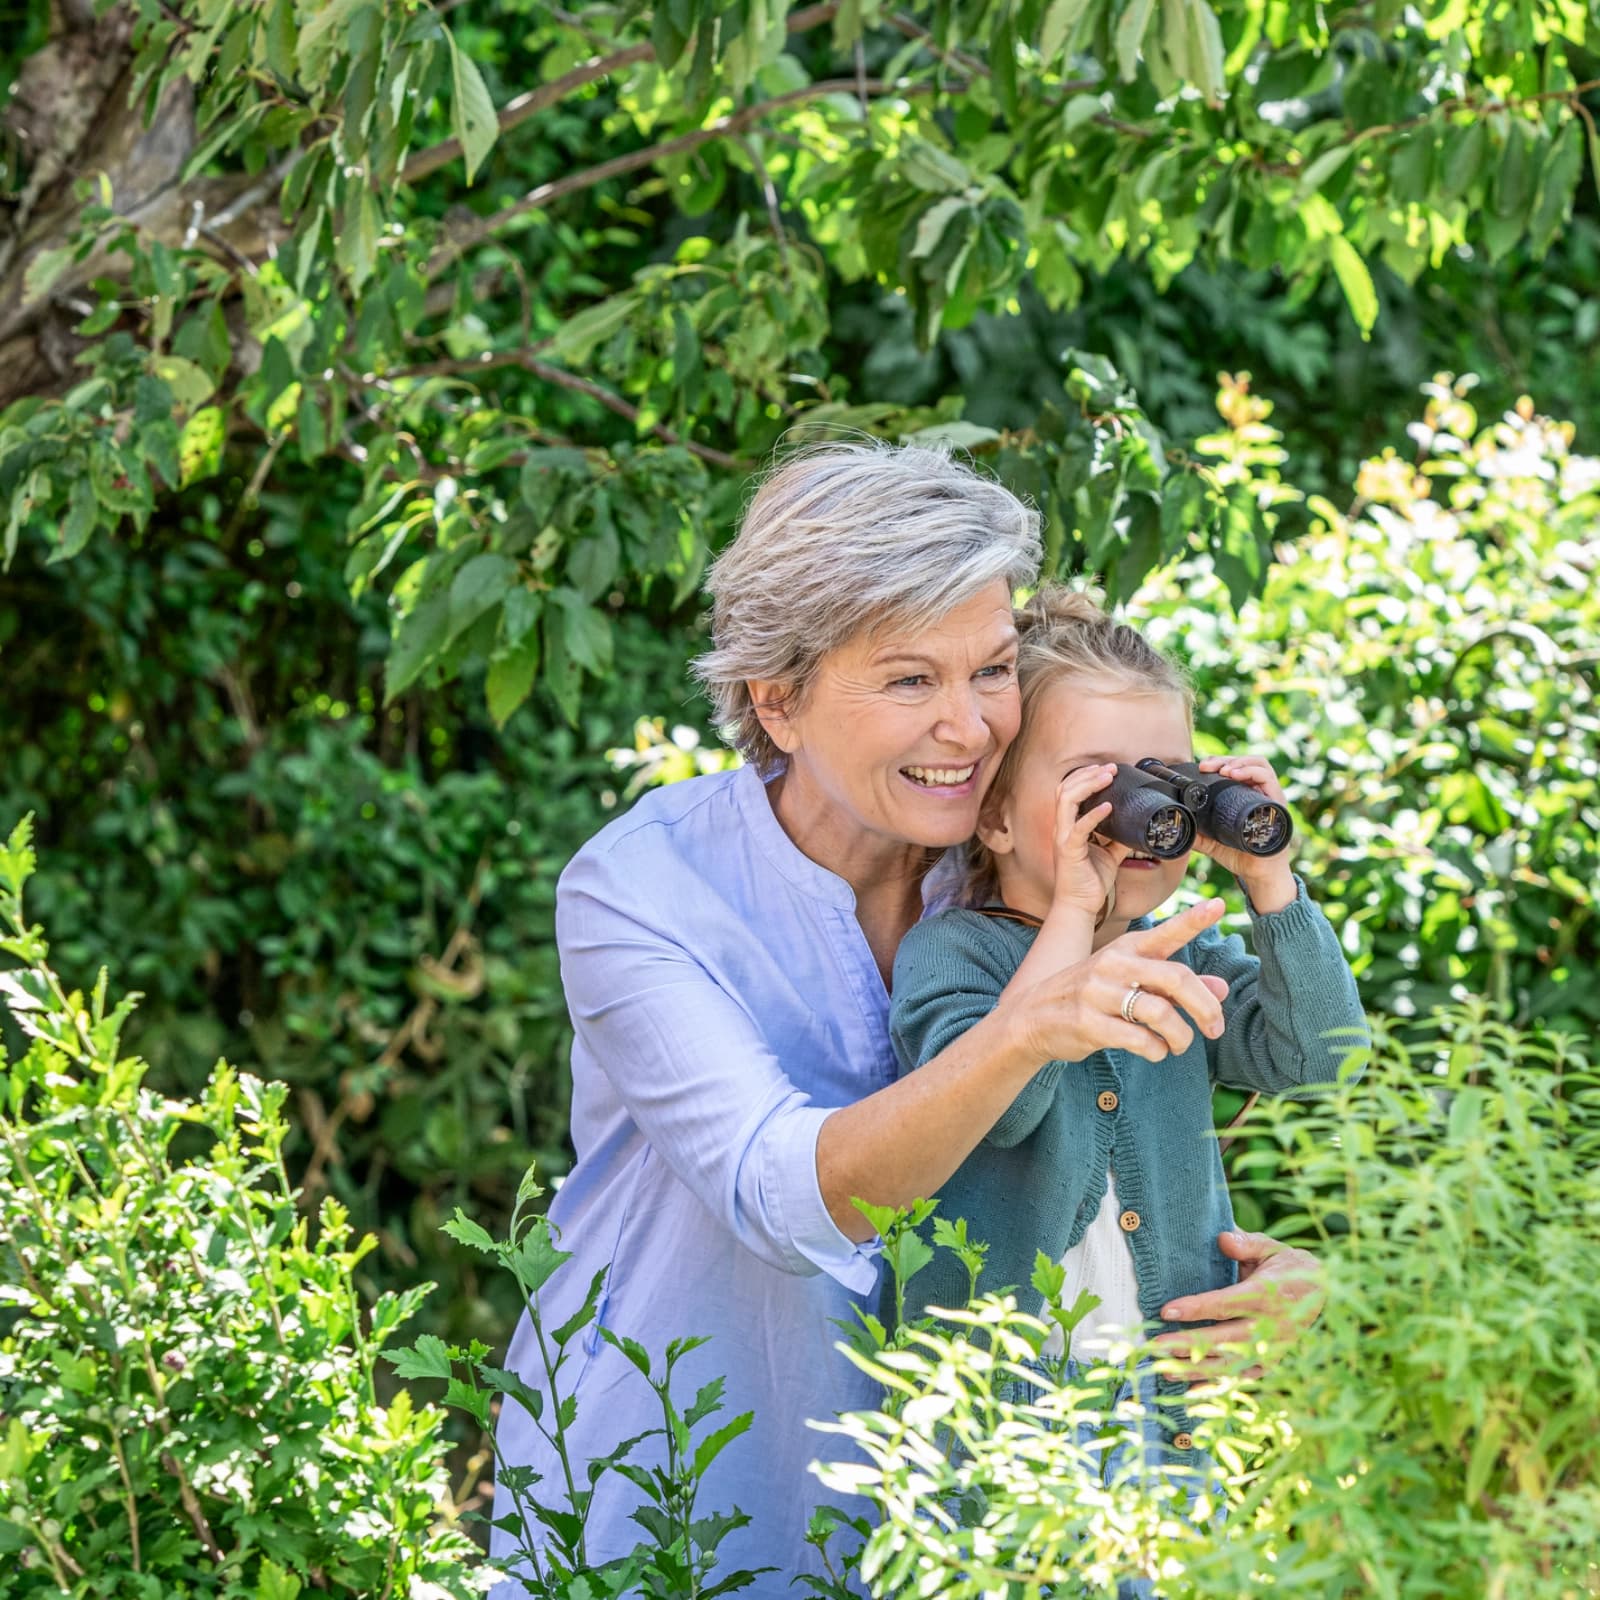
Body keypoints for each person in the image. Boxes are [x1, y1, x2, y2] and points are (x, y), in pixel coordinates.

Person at [488, 444, 1327, 1591]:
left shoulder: (1030, 875)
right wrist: (1028, 1024)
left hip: (982, 1527)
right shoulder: (641, 889)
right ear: (776, 702)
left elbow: (1221, 1103)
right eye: (906, 681)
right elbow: (792, 1197)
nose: (970, 728)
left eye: (989, 669)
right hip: (682, 1497)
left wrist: (1294, 1289)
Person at [889, 585, 1368, 1500]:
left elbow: (1325, 1055)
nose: (1144, 812)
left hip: (1172, 1418)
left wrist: (1271, 880)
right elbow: (1003, 1096)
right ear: (993, 816)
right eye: (1100, 785)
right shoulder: (958, 953)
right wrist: (1074, 906)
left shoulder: (1181, 952)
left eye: (1171, 780)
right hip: (1005, 1430)